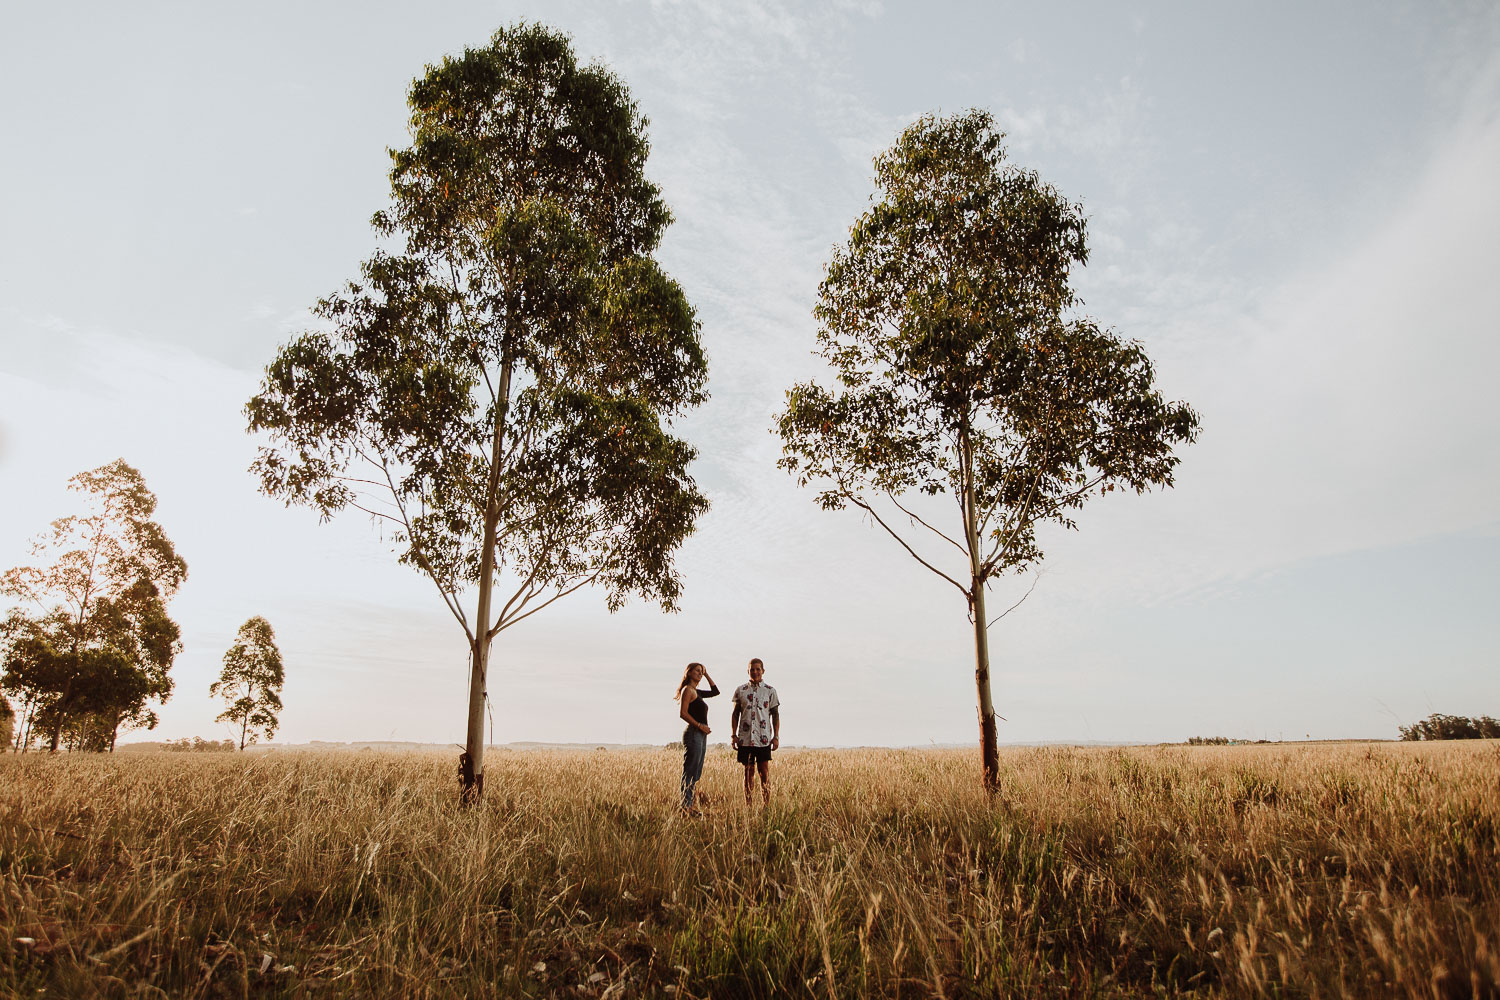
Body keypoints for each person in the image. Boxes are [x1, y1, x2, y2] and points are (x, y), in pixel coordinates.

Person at [730, 657, 779, 805]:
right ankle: (749, 805)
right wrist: (733, 735)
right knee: (748, 772)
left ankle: (766, 805)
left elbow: (775, 715)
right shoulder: (741, 690)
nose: (755, 672)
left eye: (758, 669)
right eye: (752, 669)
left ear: (763, 671)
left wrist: (776, 736)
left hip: (763, 738)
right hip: (745, 738)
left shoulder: (770, 691)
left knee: (764, 772)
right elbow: (735, 714)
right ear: (748, 671)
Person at [675, 662, 718, 815]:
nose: (700, 673)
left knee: (696, 771)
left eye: (701, 671)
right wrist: (700, 726)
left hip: (701, 734)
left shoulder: (696, 691)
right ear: (689, 673)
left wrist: (706, 674)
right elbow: (683, 713)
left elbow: (715, 691)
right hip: (694, 733)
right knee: (690, 770)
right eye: (697, 671)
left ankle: (690, 806)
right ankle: (685, 807)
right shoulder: (688, 690)